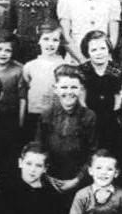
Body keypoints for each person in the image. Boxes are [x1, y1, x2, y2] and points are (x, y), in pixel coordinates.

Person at [36, 64, 97, 194]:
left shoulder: (89, 116)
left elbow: (93, 152)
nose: (69, 92)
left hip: (78, 181)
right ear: (55, 89)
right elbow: (39, 149)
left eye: (74, 87)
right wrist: (47, 177)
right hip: (50, 179)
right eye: (64, 87)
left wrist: (77, 180)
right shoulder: (46, 115)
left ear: (80, 89)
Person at [57, 0, 121, 64]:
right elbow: (66, 36)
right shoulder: (67, 0)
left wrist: (103, 57)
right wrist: (82, 60)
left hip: (102, 58)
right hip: (76, 58)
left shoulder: (111, 1)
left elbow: (113, 36)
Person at [22, 19, 64, 141]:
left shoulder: (63, 65)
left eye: (55, 40)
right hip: (34, 114)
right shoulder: (30, 66)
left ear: (60, 42)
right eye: (46, 39)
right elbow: (27, 85)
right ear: (39, 40)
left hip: (56, 115)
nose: (50, 44)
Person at [78, 30, 122, 127]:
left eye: (102, 48)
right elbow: (81, 98)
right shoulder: (83, 71)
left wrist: (114, 115)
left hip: (112, 114)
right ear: (87, 52)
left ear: (108, 49)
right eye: (94, 50)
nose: (99, 53)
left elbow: (118, 96)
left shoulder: (117, 70)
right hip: (89, 116)